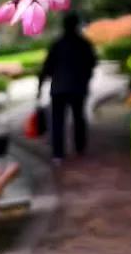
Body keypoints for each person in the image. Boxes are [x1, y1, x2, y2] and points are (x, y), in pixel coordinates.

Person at [38, 12, 97, 162]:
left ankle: (58, 153)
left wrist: (39, 88)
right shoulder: (84, 44)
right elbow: (92, 63)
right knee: (79, 118)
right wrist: (86, 79)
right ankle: (80, 148)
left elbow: (46, 67)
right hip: (78, 88)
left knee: (57, 121)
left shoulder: (57, 44)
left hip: (58, 88)